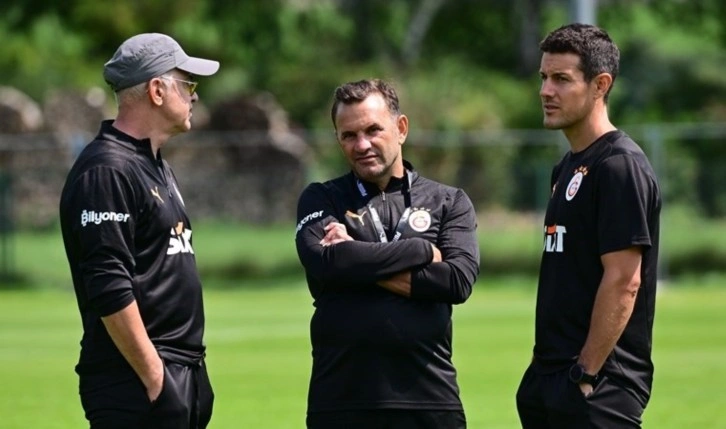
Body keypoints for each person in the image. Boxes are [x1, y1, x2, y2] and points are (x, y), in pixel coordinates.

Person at [295, 79, 480, 429]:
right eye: (349, 135)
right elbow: (325, 263)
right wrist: (421, 250)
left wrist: (354, 258)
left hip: (430, 402)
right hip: (339, 402)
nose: (362, 145)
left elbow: (456, 281)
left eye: (373, 130)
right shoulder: (322, 197)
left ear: (401, 128)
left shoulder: (448, 201)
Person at [59, 33, 219, 429]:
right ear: (157, 91)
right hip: (136, 382)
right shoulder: (107, 170)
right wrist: (156, 380)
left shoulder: (155, 165)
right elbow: (108, 284)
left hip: (179, 374)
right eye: (188, 85)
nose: (195, 96)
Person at [515, 23, 661, 428]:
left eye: (561, 79)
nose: (546, 91)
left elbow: (624, 280)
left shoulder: (619, 166)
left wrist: (585, 373)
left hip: (598, 384)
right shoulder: (566, 167)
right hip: (551, 376)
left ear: (600, 85)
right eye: (544, 77)